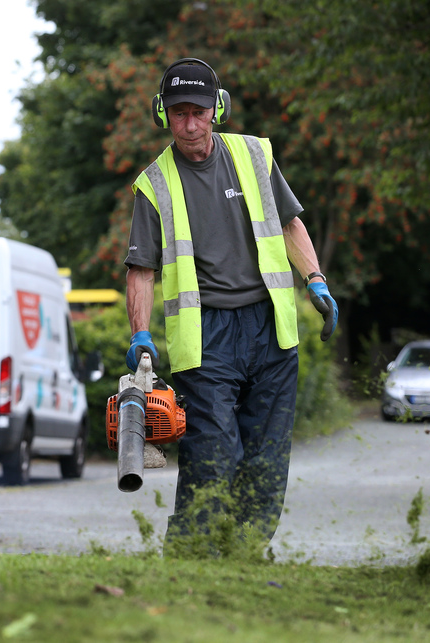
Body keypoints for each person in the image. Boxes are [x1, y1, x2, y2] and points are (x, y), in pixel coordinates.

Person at [123, 58, 338, 551]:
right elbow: (142, 268)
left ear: (216, 110)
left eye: (198, 111)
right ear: (163, 115)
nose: (190, 124)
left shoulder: (254, 156)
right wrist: (140, 333)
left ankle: (245, 552)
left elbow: (288, 224)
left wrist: (316, 280)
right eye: (179, 113)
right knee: (214, 450)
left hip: (270, 329)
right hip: (207, 337)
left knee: (266, 455)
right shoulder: (154, 184)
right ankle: (193, 553)